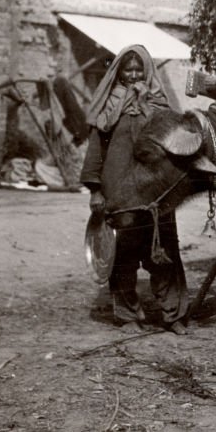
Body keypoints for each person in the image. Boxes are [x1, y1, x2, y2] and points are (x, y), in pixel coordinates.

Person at [80, 44, 189, 331]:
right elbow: (95, 150)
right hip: (119, 190)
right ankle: (128, 315)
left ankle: (174, 315)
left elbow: (174, 144)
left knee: (164, 249)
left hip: (156, 191)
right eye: (127, 69)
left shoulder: (159, 103)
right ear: (117, 72)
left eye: (138, 68)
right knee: (123, 252)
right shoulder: (108, 105)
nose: (133, 74)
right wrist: (95, 190)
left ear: (147, 69)